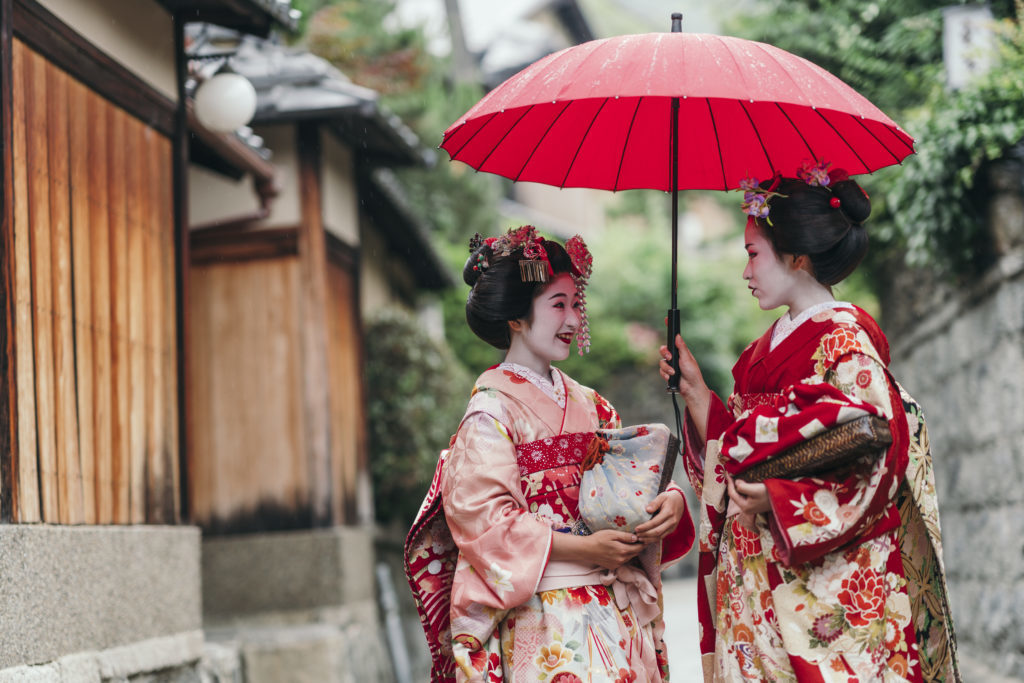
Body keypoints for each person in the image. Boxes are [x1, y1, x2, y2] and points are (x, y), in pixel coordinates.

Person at [659, 162, 959, 682]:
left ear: (797, 257)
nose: (746, 272)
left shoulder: (844, 339)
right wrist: (697, 396)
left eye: (753, 255)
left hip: (813, 574)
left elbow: (880, 448)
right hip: (752, 570)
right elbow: (742, 445)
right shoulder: (761, 352)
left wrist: (778, 496)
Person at [406, 226, 695, 683]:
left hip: (611, 605)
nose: (574, 320)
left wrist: (671, 499)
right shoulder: (490, 410)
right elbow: (486, 524)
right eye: (558, 305)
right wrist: (585, 548)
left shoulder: (592, 404)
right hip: (540, 614)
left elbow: (625, 481)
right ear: (515, 317)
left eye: (576, 304)